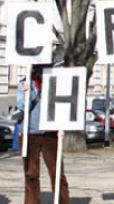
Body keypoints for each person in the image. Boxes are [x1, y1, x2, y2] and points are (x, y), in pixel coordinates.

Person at [18, 63, 70, 204]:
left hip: (50, 132)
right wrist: (30, 92)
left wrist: (62, 126)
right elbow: (22, 106)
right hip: (30, 132)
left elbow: (64, 103)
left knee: (57, 172)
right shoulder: (24, 82)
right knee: (31, 174)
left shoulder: (55, 81)